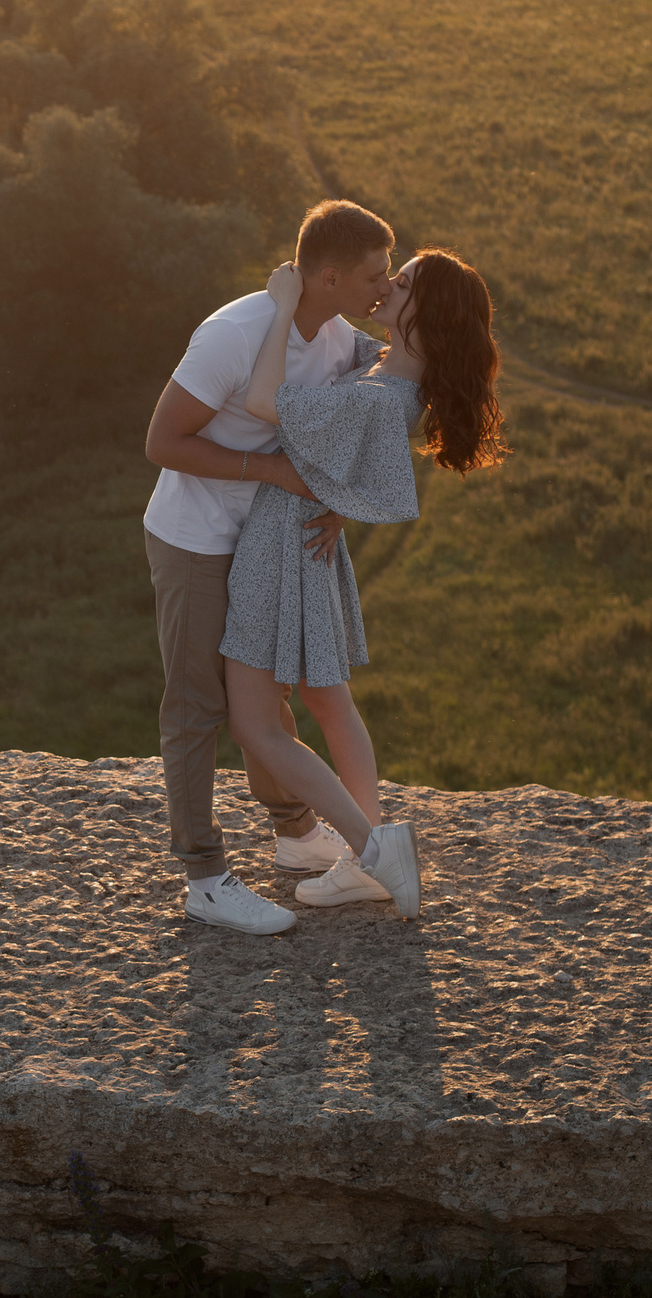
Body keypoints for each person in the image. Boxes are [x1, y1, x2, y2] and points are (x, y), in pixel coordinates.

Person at [219, 248, 509, 922]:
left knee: (255, 724)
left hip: (281, 548)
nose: (385, 286)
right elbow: (371, 463)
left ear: (423, 309)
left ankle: (372, 848)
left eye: (399, 282)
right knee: (328, 700)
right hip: (309, 542)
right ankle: (365, 862)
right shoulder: (394, 375)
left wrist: (286, 303)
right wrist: (340, 500)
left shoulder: (380, 395)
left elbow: (264, 402)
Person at [141, 201, 397, 937]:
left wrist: (340, 500)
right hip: (195, 538)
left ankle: (292, 830)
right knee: (197, 706)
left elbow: (363, 423)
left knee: (265, 693)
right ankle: (206, 878)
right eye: (375, 274)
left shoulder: (339, 338)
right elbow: (162, 440)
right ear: (327, 275)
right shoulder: (232, 334)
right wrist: (270, 470)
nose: (384, 285)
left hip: (262, 540)